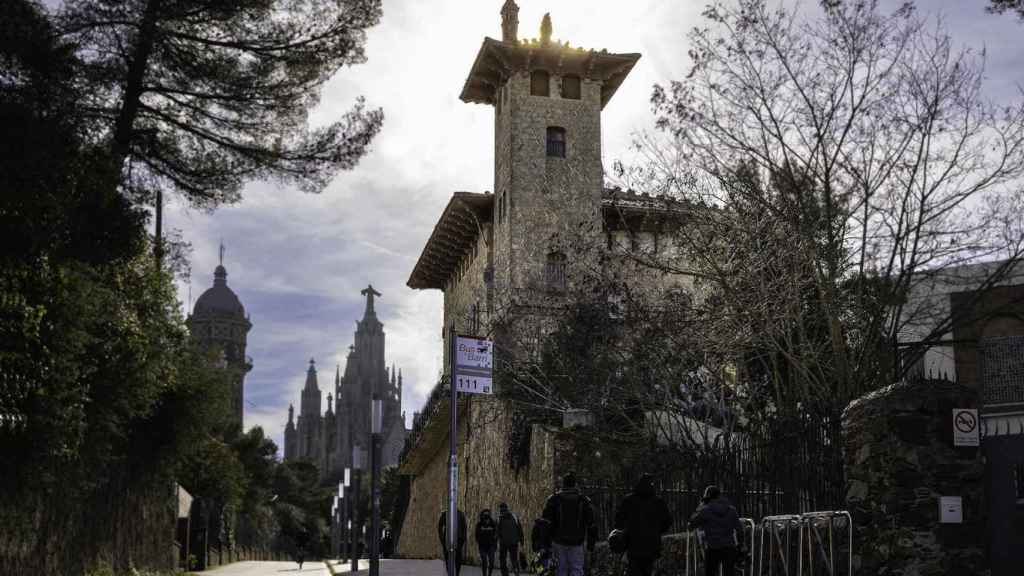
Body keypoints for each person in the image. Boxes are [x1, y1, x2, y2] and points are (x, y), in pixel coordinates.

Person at [613, 473, 673, 576]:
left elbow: (618, 521)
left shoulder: (628, 500)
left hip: (633, 545)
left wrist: (625, 533)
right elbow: (667, 522)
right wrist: (657, 531)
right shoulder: (658, 502)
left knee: (634, 571)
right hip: (652, 545)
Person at [542, 472, 596, 576]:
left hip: (558, 541)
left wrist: (546, 543)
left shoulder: (554, 499)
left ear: (563, 484)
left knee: (560, 570)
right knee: (576, 569)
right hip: (577, 541)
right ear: (575, 484)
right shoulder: (583, 500)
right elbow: (591, 524)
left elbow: (546, 523)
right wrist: (590, 546)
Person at [688, 486, 743, 576]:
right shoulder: (732, 510)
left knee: (710, 572)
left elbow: (691, 525)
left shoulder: (705, 511)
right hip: (729, 547)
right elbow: (739, 530)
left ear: (707, 498)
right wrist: (740, 545)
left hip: (713, 548)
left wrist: (700, 507)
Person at [496, 502, 524, 576]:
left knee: (502, 560)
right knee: (514, 560)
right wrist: (521, 541)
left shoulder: (499, 518)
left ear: (501, 509)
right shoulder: (514, 516)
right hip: (514, 542)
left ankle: (505, 574)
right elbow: (520, 529)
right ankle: (516, 573)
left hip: (504, 543)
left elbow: (497, 532)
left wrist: (497, 541)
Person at [438, 508, 468, 576]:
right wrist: (442, 538)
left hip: (459, 539)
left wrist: (463, 539)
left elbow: (464, 527)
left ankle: (457, 573)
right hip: (447, 538)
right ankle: (449, 573)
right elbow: (440, 525)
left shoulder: (460, 514)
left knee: (458, 558)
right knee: (447, 557)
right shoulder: (446, 514)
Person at [475, 508, 498, 576]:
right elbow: (476, 535)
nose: (486, 518)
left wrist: (495, 544)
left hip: (491, 546)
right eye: (485, 516)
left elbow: (496, 535)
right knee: (484, 561)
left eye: (487, 515)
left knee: (491, 562)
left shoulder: (493, 524)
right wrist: (480, 542)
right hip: (482, 546)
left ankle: (489, 574)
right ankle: (484, 574)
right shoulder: (479, 525)